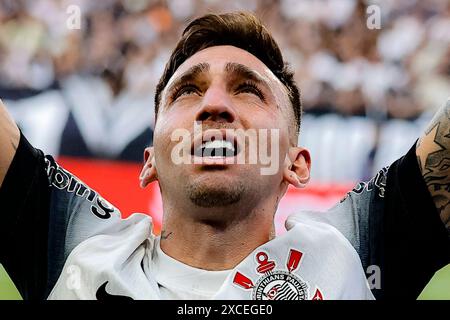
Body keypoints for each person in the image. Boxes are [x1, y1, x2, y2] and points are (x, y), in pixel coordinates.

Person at [0, 12, 448, 300]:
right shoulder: (78, 252)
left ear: (296, 164)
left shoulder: (351, 251)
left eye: (248, 90)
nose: (213, 105)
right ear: (150, 160)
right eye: (188, 90)